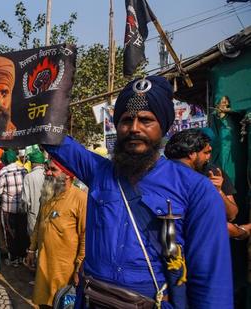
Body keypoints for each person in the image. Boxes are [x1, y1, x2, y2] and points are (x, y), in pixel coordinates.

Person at [44, 76, 232, 308]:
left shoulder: (196, 189)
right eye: (126, 120)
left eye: (146, 120)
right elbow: (52, 138)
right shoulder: (100, 172)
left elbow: (211, 283)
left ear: (163, 126)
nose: (134, 128)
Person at [25, 159, 86, 308]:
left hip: (65, 272)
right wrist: (32, 249)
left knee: (62, 304)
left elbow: (85, 236)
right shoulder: (48, 194)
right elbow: (39, 224)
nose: (47, 173)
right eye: (47, 169)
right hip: (44, 267)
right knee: (44, 303)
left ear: (67, 175)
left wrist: (79, 268)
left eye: (53, 170)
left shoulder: (80, 198)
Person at [164, 128, 239, 231]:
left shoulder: (212, 172)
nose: (209, 157)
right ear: (192, 154)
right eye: (206, 152)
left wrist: (218, 191)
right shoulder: (162, 177)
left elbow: (232, 215)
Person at [0, 149, 28, 266]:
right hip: (22, 208)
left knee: (10, 233)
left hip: (8, 209)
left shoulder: (3, 172)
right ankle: (22, 257)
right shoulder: (24, 170)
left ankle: (13, 259)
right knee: (22, 232)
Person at [22, 150, 46, 235]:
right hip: (47, 216)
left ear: (32, 163)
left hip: (33, 215)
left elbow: (25, 200)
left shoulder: (28, 177)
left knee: (34, 242)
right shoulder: (48, 175)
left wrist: (25, 212)